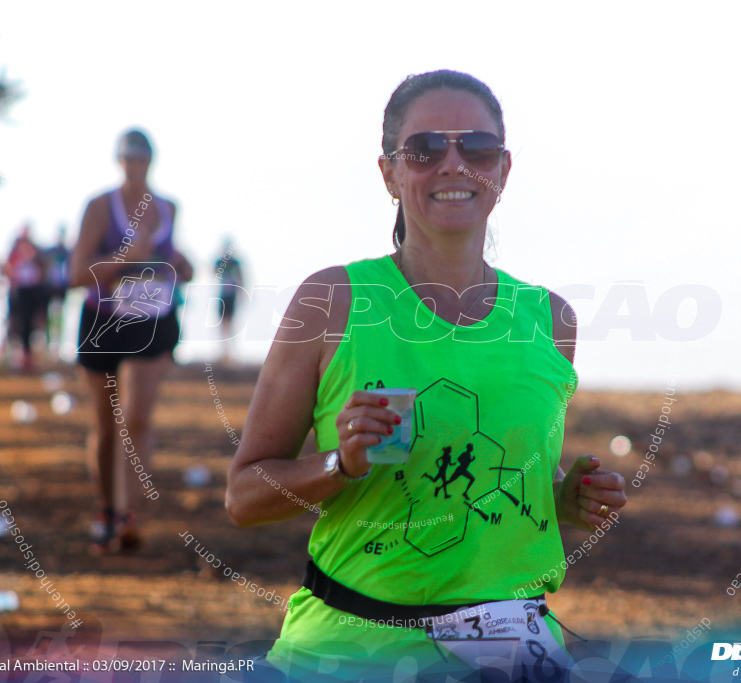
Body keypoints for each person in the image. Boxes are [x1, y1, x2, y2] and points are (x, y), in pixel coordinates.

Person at [225, 70, 628, 681]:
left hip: (513, 654)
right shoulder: (331, 301)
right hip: (347, 652)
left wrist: (563, 498)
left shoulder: (551, 319)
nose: (453, 163)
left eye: (478, 147)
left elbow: (503, 473)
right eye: (425, 149)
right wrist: (341, 464)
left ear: (503, 170)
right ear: (389, 172)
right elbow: (245, 496)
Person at [69, 129, 193, 554]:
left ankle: (127, 515)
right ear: (118, 161)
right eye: (129, 158)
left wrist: (179, 264)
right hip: (103, 320)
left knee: (136, 417)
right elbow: (74, 274)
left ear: (151, 161)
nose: (136, 165)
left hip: (152, 320)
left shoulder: (169, 208)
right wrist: (124, 259)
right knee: (105, 426)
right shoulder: (101, 208)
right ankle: (105, 509)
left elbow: (178, 264)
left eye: (142, 158)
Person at [2, 224, 47, 372]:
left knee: (32, 322)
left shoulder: (37, 252)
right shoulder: (14, 252)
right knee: (17, 322)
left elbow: (43, 269)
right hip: (19, 291)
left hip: (33, 291)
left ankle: (29, 356)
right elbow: (7, 268)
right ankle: (16, 354)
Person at [213, 236, 244, 364]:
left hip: (231, 295)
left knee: (229, 323)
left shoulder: (235, 262)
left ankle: (230, 353)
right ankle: (225, 352)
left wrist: (241, 294)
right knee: (223, 323)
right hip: (223, 295)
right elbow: (214, 274)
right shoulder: (220, 261)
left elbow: (240, 278)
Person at [43, 224, 71, 356]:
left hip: (62, 287)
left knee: (59, 315)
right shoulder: (51, 251)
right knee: (48, 315)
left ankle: (57, 344)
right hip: (50, 287)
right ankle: (48, 343)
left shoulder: (67, 252)